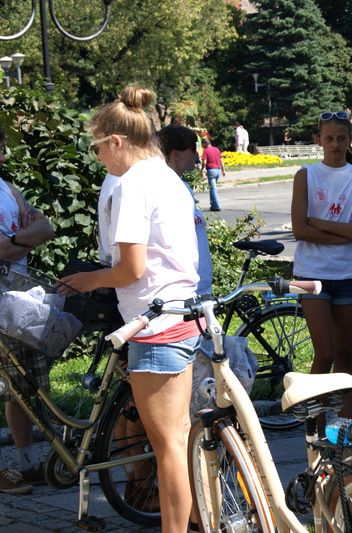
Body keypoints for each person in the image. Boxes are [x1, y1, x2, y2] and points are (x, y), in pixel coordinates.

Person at [60, 86, 202, 533]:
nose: (99, 157)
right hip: (184, 314)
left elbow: (130, 268)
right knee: (178, 441)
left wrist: (87, 280)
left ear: (117, 141)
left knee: (169, 449)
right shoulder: (166, 176)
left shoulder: (132, 185)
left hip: (155, 322)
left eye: (99, 147)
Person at [290, 111, 352, 423]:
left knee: (345, 353)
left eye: (341, 138)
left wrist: (321, 224)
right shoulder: (306, 175)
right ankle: (313, 422)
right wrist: (346, 232)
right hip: (311, 274)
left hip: (346, 274)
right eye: (329, 138)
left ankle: (343, 420)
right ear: (319, 141)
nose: (336, 144)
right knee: (324, 352)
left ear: (350, 140)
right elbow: (300, 230)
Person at [0, 127, 55, 494]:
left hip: (17, 297)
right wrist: (20, 241)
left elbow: (45, 226)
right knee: (9, 385)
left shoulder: (7, 186)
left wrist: (14, 241)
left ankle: (28, 464)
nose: (3, 154)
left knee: (23, 384)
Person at [158, 124, 213, 295]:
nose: (197, 156)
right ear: (176, 155)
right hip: (184, 293)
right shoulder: (164, 189)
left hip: (199, 288)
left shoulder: (182, 187)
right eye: (192, 149)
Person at [200, 137, 225, 212]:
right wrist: (223, 170)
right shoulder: (217, 149)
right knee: (212, 188)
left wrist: (202, 170)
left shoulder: (206, 151)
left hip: (211, 170)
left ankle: (216, 206)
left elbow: (204, 162)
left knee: (213, 189)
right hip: (218, 171)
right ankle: (213, 205)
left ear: (205, 144)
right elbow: (221, 161)